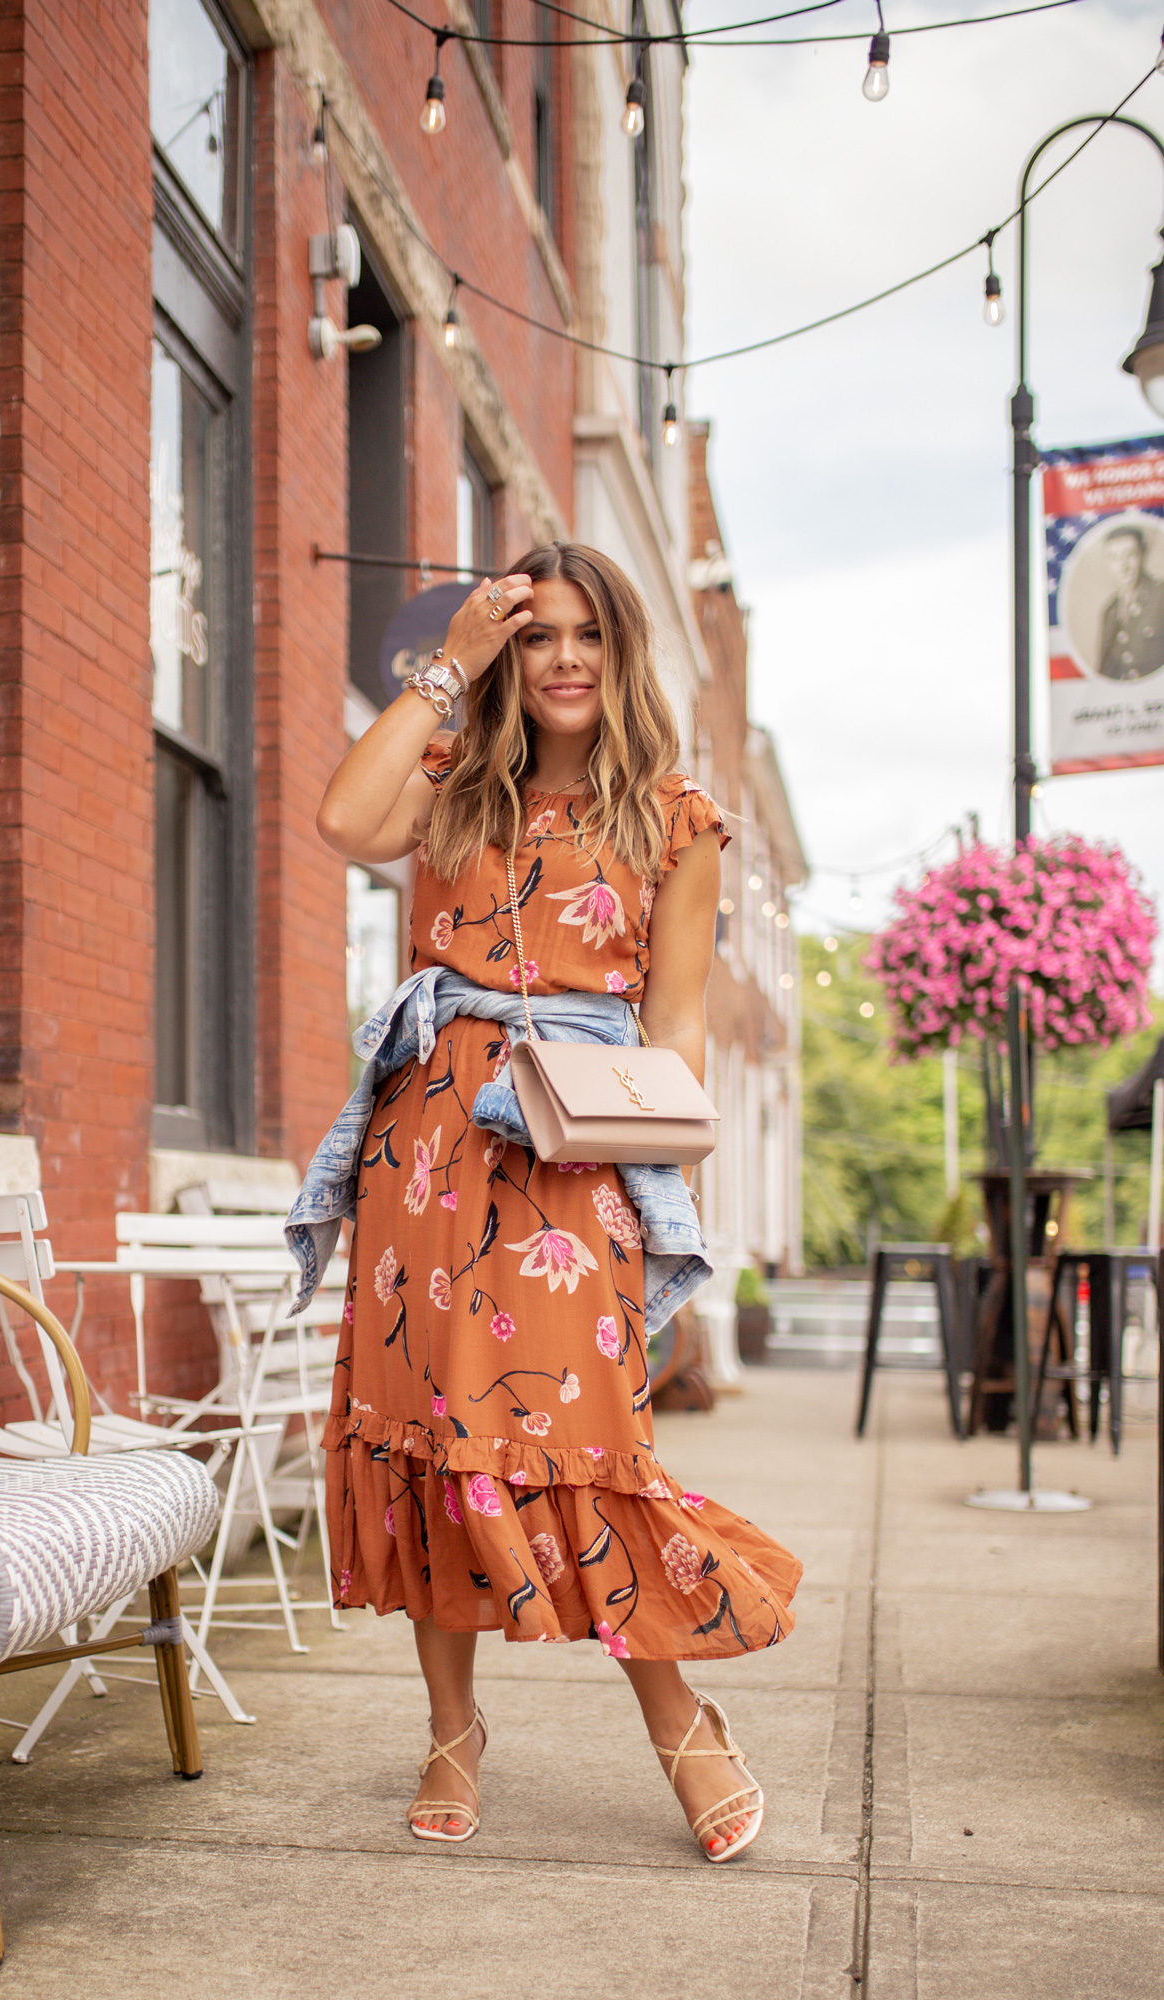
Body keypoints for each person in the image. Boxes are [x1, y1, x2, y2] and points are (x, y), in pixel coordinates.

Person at [296, 542, 801, 1865]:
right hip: (427, 1155)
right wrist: (450, 662)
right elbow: (345, 821)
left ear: (620, 653)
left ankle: (682, 1726)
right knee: (430, 1438)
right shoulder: (455, 784)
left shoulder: (673, 821)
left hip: (576, 1163)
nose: (563, 656)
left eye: (585, 633)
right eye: (537, 636)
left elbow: (679, 1028)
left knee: (588, 1454)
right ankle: (451, 1730)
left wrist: (651, 1205)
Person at [1097, 525, 1164, 681]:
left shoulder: (1161, 596)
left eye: (1130, 555)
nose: (1123, 566)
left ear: (1143, 554)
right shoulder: (1109, 611)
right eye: (1114, 558)